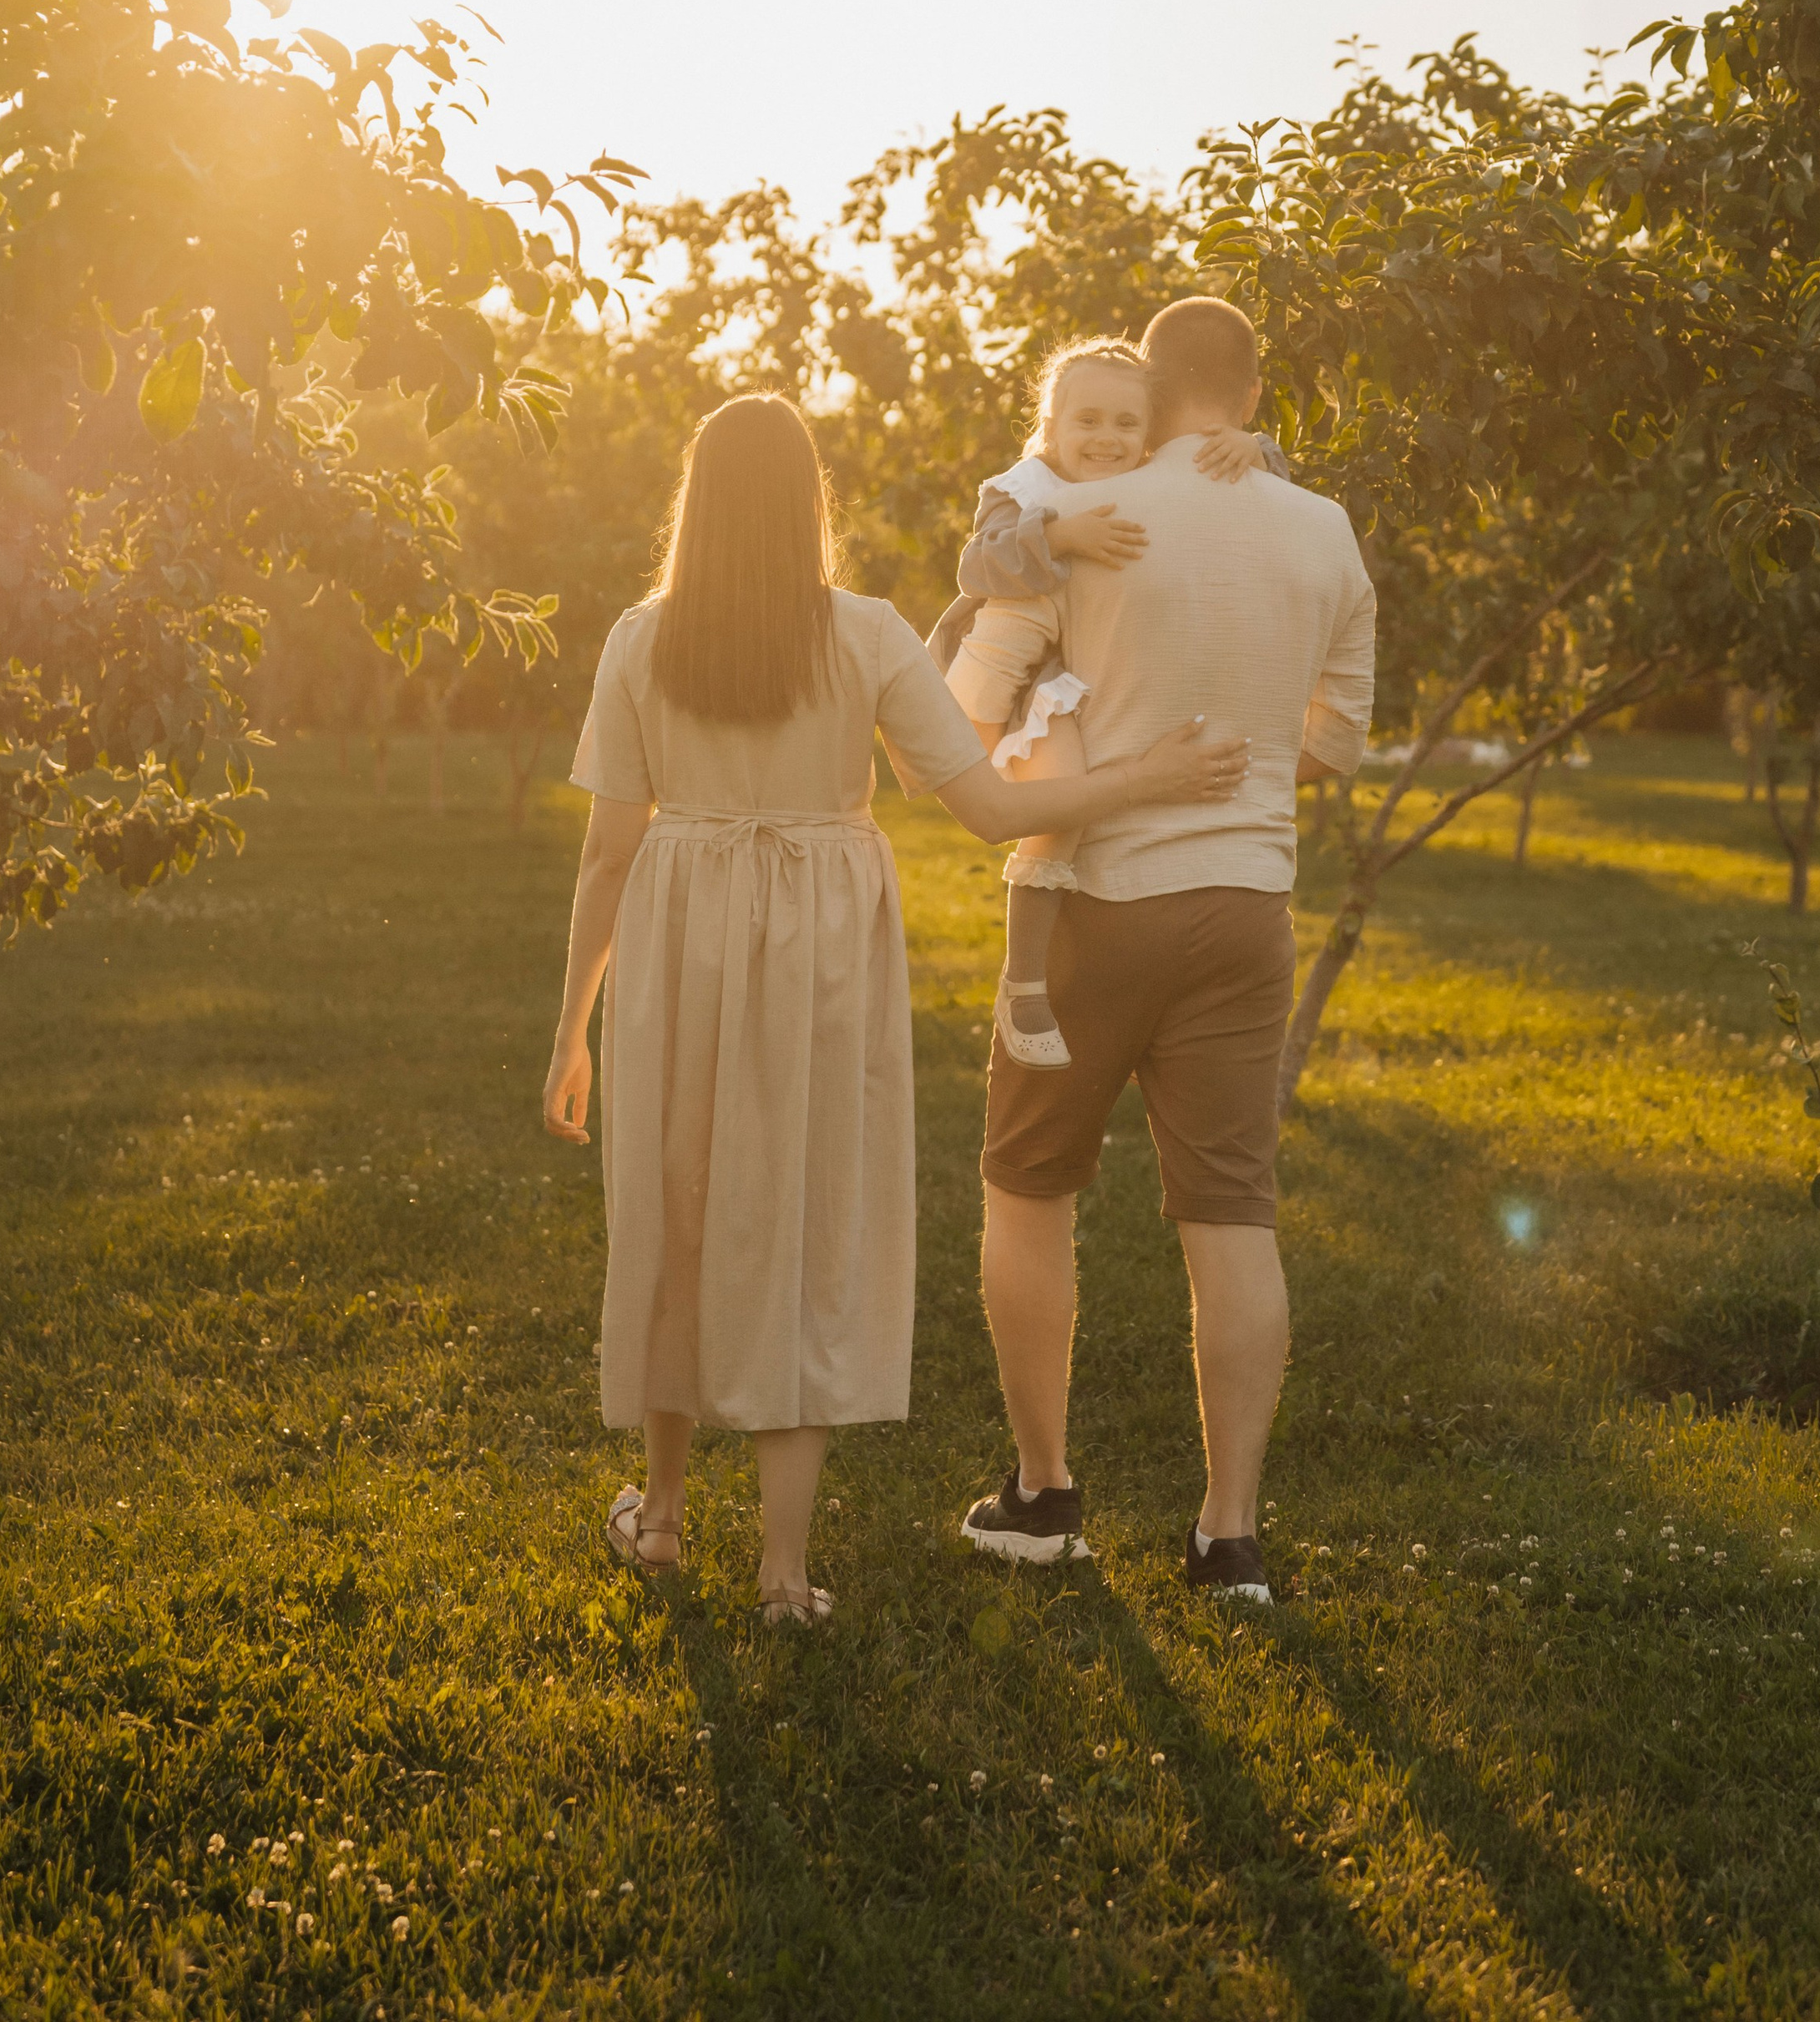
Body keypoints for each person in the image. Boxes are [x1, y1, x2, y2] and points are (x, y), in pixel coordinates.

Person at [540, 392, 1249, 1625]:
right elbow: (983, 805)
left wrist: (571, 1031)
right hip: (819, 941)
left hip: (680, 940)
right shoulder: (865, 634)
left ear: (694, 507)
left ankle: (660, 1520)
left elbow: (607, 852)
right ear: (810, 503)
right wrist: (1149, 774)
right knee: (803, 1221)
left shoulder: (641, 637)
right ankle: (782, 1572)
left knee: (680, 1206)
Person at [946, 298, 1375, 1603]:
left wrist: (1091, 752)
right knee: (1234, 1212)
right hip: (1250, 909)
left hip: (1094, 904)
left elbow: (964, 716)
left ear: (1152, 385)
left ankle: (1043, 1491)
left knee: (1029, 1184)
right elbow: (1337, 744)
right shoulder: (1324, 528)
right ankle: (1228, 1535)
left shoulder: (1089, 520)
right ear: (1248, 395)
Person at [927, 341, 1285, 1070]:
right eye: (1087, 420)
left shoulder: (1150, 477)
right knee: (1064, 809)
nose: (1107, 439)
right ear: (1051, 424)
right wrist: (1060, 534)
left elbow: (1272, 492)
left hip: (1100, 670)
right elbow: (976, 563)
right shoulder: (1024, 486)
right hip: (1032, 681)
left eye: (1126, 424)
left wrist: (1256, 447)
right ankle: (1022, 979)